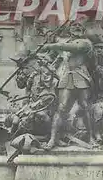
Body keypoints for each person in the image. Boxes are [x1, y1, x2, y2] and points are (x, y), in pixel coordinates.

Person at [40, 19, 96, 149]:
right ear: (69, 29)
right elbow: (52, 57)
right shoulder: (64, 44)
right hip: (66, 77)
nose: (76, 27)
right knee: (61, 108)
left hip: (81, 76)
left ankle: (91, 137)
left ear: (83, 30)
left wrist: (52, 46)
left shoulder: (86, 43)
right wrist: (43, 58)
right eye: (74, 25)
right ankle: (53, 139)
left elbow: (76, 48)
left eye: (79, 26)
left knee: (85, 106)